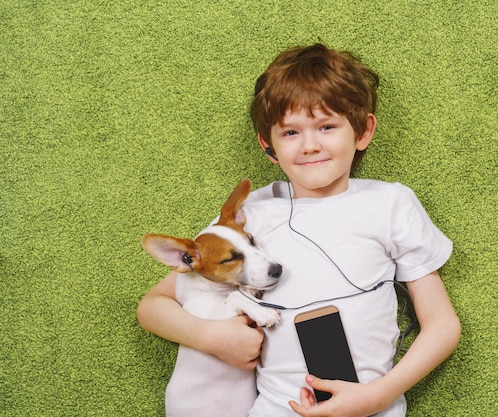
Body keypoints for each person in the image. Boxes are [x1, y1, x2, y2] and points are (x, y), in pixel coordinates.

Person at [137, 43, 461, 417]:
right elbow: (152, 307)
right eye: (290, 133)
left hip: (371, 408)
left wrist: (379, 395)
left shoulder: (391, 204)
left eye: (327, 126)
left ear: (363, 131)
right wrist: (212, 337)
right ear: (268, 146)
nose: (310, 145)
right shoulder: (248, 215)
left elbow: (441, 323)